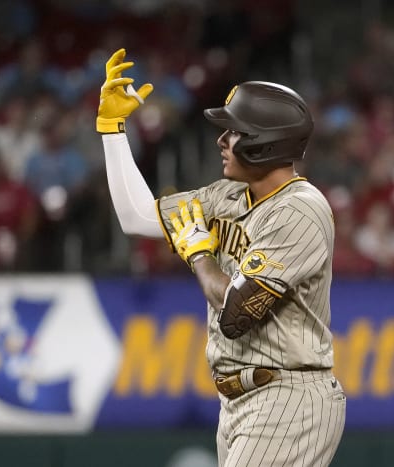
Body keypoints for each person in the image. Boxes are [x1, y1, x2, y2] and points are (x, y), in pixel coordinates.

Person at [97, 49, 345, 467]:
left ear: (263, 143)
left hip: (288, 397)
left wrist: (199, 255)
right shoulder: (227, 195)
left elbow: (236, 315)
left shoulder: (300, 210)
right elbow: (135, 217)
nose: (221, 140)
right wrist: (111, 129)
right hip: (239, 402)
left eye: (233, 131)